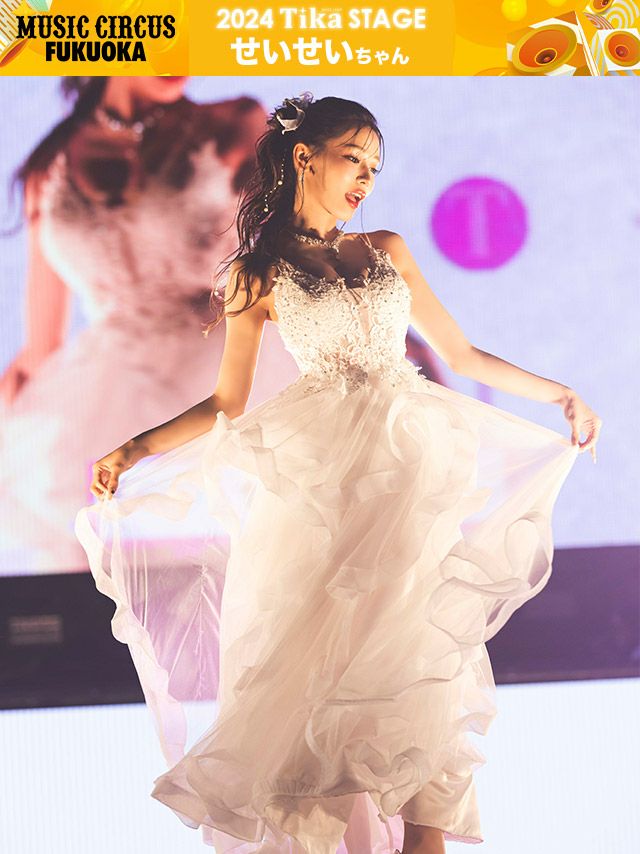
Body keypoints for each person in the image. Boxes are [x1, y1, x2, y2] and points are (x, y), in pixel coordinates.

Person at [75, 93, 601, 854]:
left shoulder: (386, 247)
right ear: (304, 156)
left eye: (374, 167)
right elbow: (226, 402)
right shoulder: (257, 273)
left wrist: (561, 395)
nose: (364, 178)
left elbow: (460, 355)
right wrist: (133, 449)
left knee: (418, 675)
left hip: (408, 478)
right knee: (323, 689)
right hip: (327, 490)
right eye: (352, 158)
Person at [0, 76, 299, 573]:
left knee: (241, 562)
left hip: (230, 373)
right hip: (102, 394)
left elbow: (294, 252)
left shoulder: (232, 124)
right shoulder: (48, 165)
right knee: (99, 571)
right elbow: (41, 342)